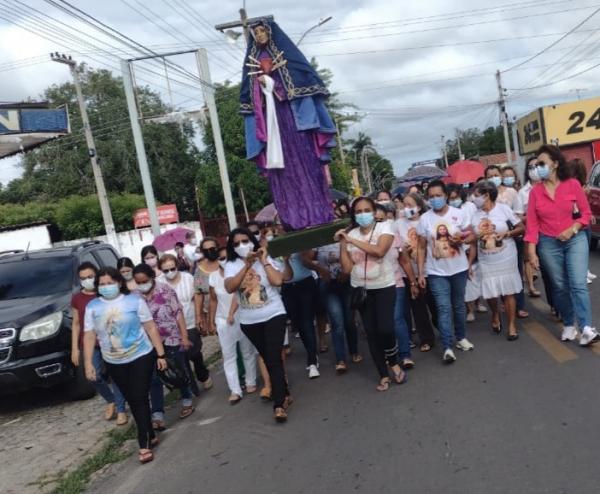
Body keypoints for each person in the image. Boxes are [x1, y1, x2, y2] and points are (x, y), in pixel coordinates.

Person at [83, 267, 167, 464]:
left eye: (110, 283)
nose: (106, 287)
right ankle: (150, 432)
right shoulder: (93, 307)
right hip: (114, 360)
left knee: (138, 396)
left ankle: (144, 442)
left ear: (119, 282)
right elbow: (89, 335)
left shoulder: (135, 301)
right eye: (102, 284)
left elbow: (150, 327)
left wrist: (160, 354)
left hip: (141, 355)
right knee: (133, 398)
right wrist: (88, 363)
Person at [526, 145, 599, 346]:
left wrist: (572, 229)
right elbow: (532, 225)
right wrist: (532, 253)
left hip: (574, 239)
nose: (538, 168)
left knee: (577, 283)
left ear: (555, 164)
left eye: (542, 163)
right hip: (548, 243)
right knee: (559, 286)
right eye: (536, 164)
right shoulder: (535, 193)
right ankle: (569, 323)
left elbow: (585, 214)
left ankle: (585, 327)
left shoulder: (573, 184)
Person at [337, 196, 407, 391]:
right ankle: (383, 374)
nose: (363, 214)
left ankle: (393, 361)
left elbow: (379, 251)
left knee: (385, 328)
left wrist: (350, 239)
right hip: (361, 289)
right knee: (372, 333)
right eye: (358, 212)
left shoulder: (385, 228)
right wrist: (343, 244)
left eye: (366, 210)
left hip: (384, 285)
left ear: (374, 211)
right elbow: (346, 268)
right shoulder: (351, 234)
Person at [224, 228, 292, 422]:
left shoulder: (265, 257)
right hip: (249, 321)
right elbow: (230, 287)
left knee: (272, 357)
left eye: (244, 241)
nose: (241, 246)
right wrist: (246, 266)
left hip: (274, 314)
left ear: (252, 241)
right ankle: (285, 392)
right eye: (236, 243)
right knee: (269, 357)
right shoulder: (231, 264)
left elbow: (278, 281)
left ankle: (279, 404)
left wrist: (262, 260)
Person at [416, 180, 475, 363]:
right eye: (431, 196)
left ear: (446, 195)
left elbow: (472, 235)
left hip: (458, 268)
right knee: (443, 307)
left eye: (438, 195)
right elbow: (420, 248)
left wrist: (462, 240)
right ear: (427, 199)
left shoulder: (459, 214)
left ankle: (461, 337)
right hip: (436, 272)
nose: (435, 199)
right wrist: (420, 273)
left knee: (458, 305)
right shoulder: (424, 219)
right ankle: (447, 347)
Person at [133, 263, 195, 428]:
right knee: (154, 379)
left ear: (152, 277)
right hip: (148, 344)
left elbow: (178, 313)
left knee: (177, 371)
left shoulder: (166, 291)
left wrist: (184, 336)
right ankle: (158, 415)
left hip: (171, 338)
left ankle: (187, 400)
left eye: (145, 281)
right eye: (138, 282)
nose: (142, 285)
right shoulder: (134, 297)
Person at [71, 262, 127, 425]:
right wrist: (74, 348)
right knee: (92, 376)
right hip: (90, 344)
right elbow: (76, 323)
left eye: (90, 277)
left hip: (109, 341)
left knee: (115, 376)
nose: (87, 280)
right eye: (83, 278)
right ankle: (111, 400)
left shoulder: (105, 293)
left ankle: (121, 409)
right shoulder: (77, 298)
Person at [470, 181, 525, 340]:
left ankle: (511, 325)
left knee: (508, 292)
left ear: (487, 195)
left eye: (477, 195)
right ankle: (495, 313)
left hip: (506, 256)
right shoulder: (475, 215)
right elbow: (473, 237)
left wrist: (507, 234)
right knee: (491, 292)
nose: (474, 198)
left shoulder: (503, 209)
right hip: (486, 259)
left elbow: (521, 227)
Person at [209, 246, 258, 404]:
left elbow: (240, 295)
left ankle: (251, 381)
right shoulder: (213, 277)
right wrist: (211, 321)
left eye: (226, 258)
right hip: (222, 320)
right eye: (221, 258)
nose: (224, 261)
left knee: (247, 350)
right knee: (229, 356)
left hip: (241, 315)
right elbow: (213, 299)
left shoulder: (239, 273)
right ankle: (235, 390)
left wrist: (231, 314)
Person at [159, 254, 212, 393]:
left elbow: (197, 298)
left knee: (194, 353)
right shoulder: (159, 283)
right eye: (165, 270)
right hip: (171, 327)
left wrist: (200, 317)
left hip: (190, 321)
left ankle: (203, 374)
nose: (170, 272)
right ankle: (189, 385)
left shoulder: (188, 278)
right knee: (180, 359)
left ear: (177, 266)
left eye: (172, 268)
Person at [312, 242, 362, 373]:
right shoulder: (317, 239)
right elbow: (304, 258)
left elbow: (356, 257)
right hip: (328, 285)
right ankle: (340, 359)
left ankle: (354, 351)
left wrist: (347, 271)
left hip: (347, 283)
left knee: (349, 320)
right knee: (336, 322)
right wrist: (321, 270)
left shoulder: (343, 236)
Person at [396, 192, 437, 352]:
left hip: (431, 270)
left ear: (419, 206)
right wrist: (403, 248)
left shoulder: (428, 220)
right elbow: (396, 247)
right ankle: (426, 338)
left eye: (410, 205)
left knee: (436, 306)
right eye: (403, 205)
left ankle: (443, 328)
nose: (406, 208)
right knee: (418, 308)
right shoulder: (398, 224)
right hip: (409, 273)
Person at [281, 251, 320, 378]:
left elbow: (310, 257)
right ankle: (311, 351)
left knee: (307, 321)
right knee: (298, 323)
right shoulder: (270, 244)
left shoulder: (296, 237)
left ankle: (312, 360)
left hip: (305, 283)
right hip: (287, 287)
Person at [567, 158, 596, 284]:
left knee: (584, 248)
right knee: (578, 250)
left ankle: (584, 270)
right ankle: (581, 273)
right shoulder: (569, 186)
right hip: (574, 222)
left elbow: (585, 206)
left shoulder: (584, 186)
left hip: (584, 222)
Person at [519, 157, 543, 298]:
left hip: (548, 231)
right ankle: (531, 287)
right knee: (528, 259)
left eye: (537, 165)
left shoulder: (550, 186)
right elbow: (517, 216)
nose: (534, 169)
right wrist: (530, 217)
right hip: (530, 231)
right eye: (531, 167)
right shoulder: (523, 192)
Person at [194, 237, 221, 336]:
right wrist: (198, 316)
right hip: (209, 310)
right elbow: (198, 294)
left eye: (212, 249)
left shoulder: (224, 263)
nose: (210, 252)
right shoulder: (200, 270)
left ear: (217, 248)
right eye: (206, 250)